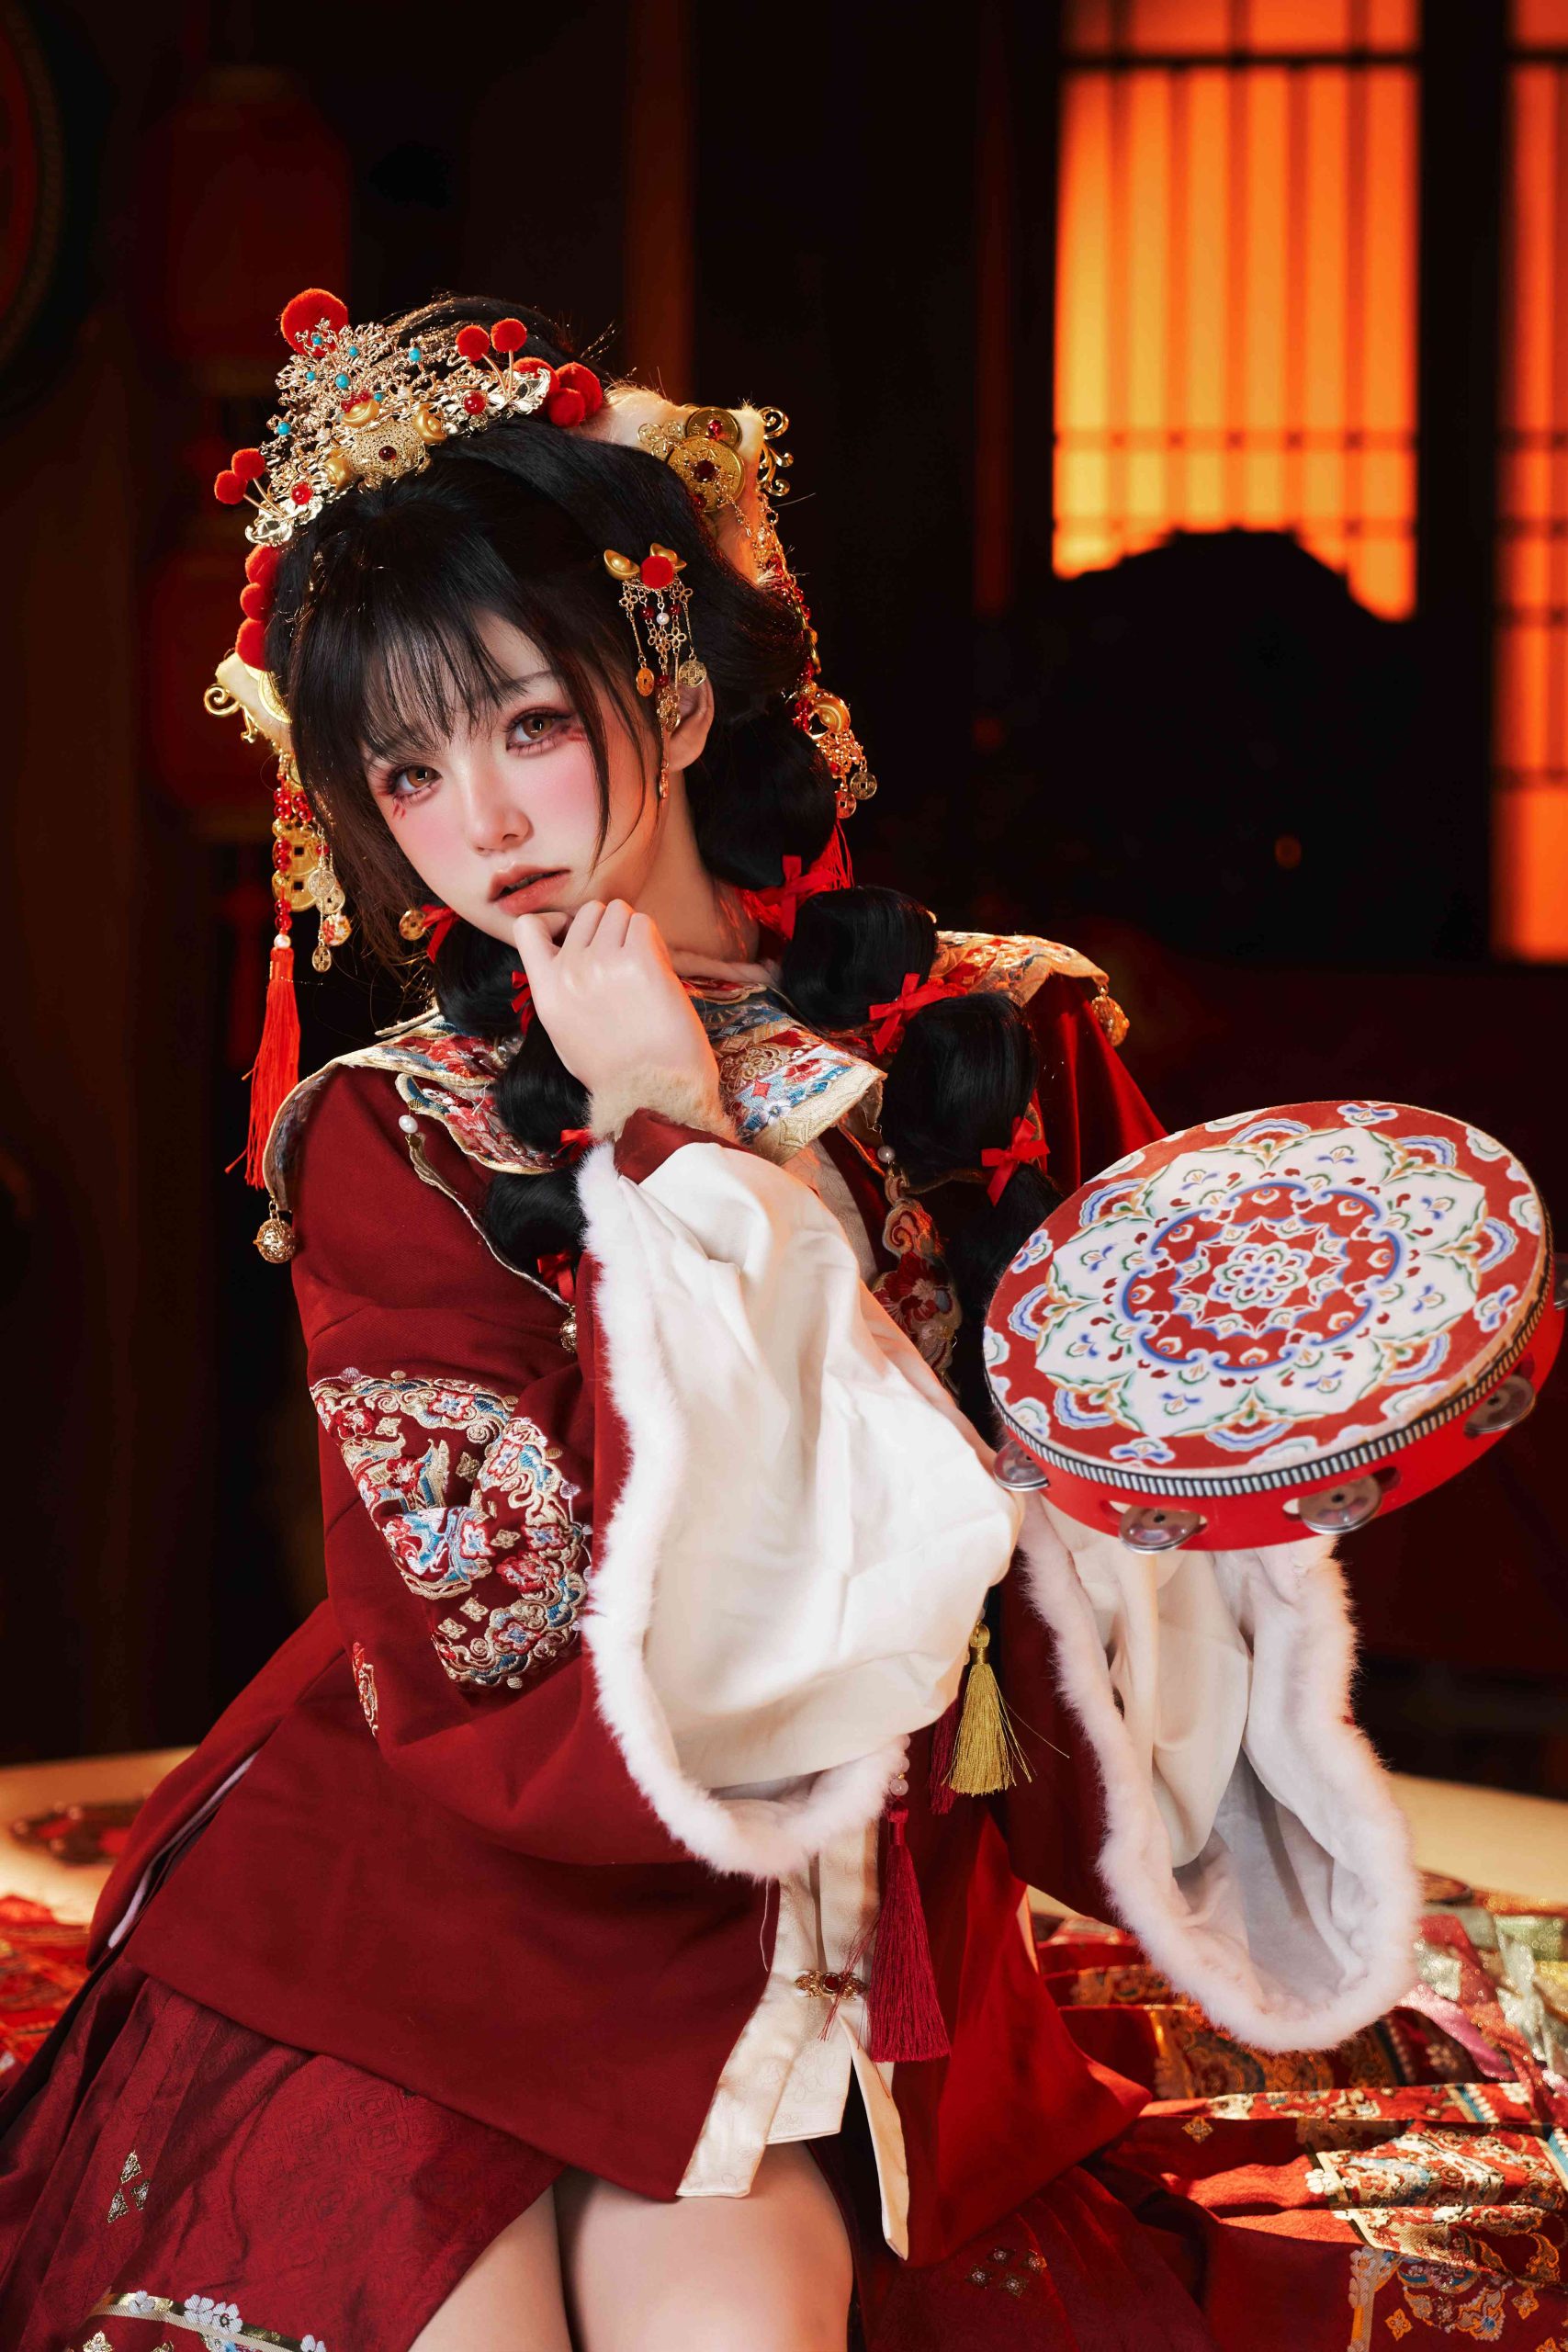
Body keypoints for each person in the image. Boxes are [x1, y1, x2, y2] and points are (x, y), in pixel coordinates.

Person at [0, 290, 1419, 2352]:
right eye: (409, 768)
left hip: (828, 1912)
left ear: (666, 691)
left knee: (740, 2322)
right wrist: (663, 1137)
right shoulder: (396, 1133)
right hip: (457, 1892)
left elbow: (1137, 1502)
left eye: (526, 723)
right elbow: (507, 1659)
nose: (484, 822)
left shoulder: (999, 1035)